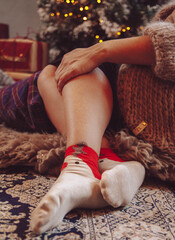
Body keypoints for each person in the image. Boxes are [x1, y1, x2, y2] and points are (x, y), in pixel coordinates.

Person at [0, 0, 174, 235]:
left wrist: (99, 50)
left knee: (44, 78)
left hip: (116, 100)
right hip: (122, 104)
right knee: (55, 74)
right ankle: (110, 162)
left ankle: (80, 167)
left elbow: (167, 43)